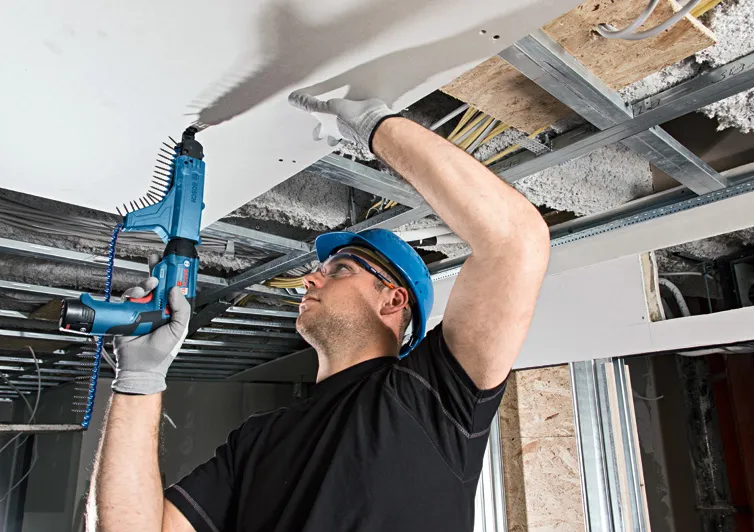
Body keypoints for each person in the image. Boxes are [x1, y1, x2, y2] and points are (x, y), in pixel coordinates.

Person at [86, 93, 550, 532]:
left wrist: (373, 125)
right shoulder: (259, 440)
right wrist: (139, 382)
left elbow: (516, 242)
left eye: (340, 269)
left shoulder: (432, 400)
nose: (310, 279)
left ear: (393, 300)